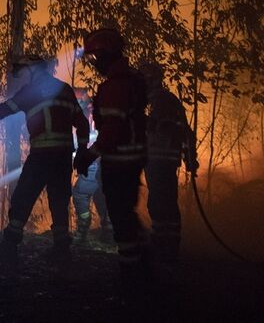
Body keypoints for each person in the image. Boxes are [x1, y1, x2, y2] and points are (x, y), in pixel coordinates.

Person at [0, 54, 89, 264]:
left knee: (23, 198)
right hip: (62, 157)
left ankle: (9, 247)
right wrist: (81, 150)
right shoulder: (64, 89)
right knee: (60, 201)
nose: (21, 77)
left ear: (33, 70)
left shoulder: (30, 93)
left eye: (23, 72)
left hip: (41, 156)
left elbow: (2, 110)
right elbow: (82, 123)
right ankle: (62, 250)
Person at [74, 28, 148, 278]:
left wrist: (88, 155)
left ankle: (132, 278)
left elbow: (113, 132)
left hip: (120, 163)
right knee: (126, 214)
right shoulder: (132, 81)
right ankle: (144, 263)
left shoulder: (116, 87)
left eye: (95, 58)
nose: (94, 64)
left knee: (121, 218)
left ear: (107, 55)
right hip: (130, 160)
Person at [139, 62, 198, 265]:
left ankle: (167, 249)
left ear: (153, 79)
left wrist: (191, 158)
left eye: (145, 79)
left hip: (162, 160)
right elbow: (186, 132)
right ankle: (164, 246)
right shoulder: (155, 101)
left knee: (163, 205)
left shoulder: (163, 101)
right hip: (156, 160)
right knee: (158, 204)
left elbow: (176, 130)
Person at [72, 135, 112, 244]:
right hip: (118, 163)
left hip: (99, 160)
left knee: (81, 193)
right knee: (107, 194)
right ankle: (109, 229)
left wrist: (85, 158)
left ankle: (83, 227)